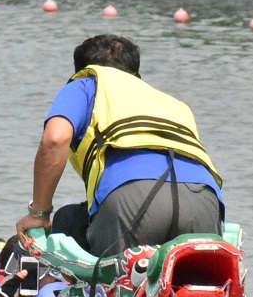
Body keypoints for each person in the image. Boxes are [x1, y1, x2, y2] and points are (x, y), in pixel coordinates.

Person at [15, 34, 224, 258]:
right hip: (204, 199)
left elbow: (55, 139)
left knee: (117, 287)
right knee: (195, 289)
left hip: (132, 198)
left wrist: (39, 213)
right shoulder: (173, 103)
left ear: (81, 70)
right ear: (136, 73)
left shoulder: (86, 84)